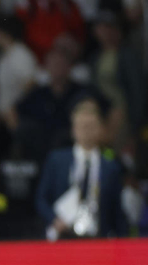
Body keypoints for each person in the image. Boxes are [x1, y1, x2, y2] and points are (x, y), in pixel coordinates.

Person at [36, 99, 129, 240]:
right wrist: (55, 220)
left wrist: (124, 244)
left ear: (100, 129)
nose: (86, 131)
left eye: (91, 126)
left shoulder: (111, 167)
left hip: (97, 238)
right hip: (62, 235)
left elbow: (117, 211)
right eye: (82, 126)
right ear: (73, 129)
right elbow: (41, 199)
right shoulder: (57, 160)